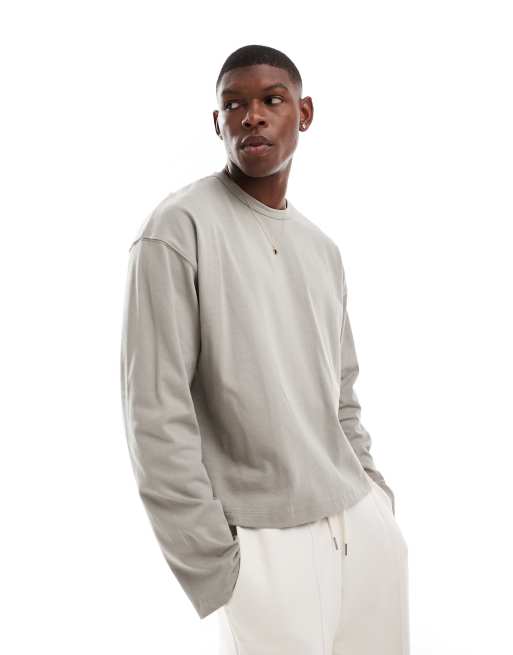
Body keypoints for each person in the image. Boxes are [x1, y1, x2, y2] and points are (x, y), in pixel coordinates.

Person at [120, 44, 410, 655]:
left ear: (304, 113)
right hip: (261, 547)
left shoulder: (322, 249)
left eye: (272, 100)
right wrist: (215, 561)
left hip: (359, 528)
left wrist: (377, 501)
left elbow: (341, 395)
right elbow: (155, 412)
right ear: (217, 122)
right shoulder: (177, 230)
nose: (251, 115)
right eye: (234, 105)